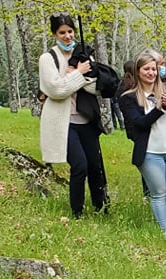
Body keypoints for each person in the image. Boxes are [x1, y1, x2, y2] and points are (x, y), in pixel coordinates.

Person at [38, 13, 108, 218]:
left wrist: (73, 76)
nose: (67, 36)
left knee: (95, 166)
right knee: (79, 165)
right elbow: (56, 90)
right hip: (63, 122)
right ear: (54, 34)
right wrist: (78, 74)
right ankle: (77, 212)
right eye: (62, 33)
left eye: (70, 31)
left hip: (85, 119)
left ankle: (102, 207)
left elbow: (96, 87)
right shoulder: (47, 59)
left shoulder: (84, 55)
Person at [119, 51, 166, 240]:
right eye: (146, 69)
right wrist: (158, 110)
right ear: (138, 71)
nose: (151, 73)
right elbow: (140, 123)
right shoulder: (128, 97)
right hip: (150, 151)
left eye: (154, 69)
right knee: (159, 193)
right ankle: (165, 232)